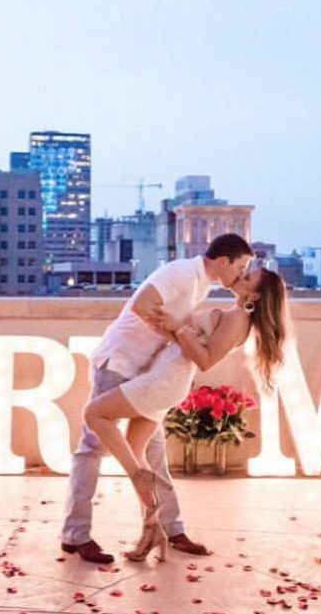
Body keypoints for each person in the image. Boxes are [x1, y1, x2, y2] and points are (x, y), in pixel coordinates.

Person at [60, 234, 254, 564]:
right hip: (120, 361)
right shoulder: (181, 272)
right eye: (241, 266)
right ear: (223, 261)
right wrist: (178, 335)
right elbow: (141, 306)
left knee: (154, 452)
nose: (241, 274)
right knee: (92, 448)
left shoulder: (201, 285)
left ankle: (170, 529)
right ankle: (76, 535)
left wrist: (179, 338)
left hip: (148, 372)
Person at [83, 266, 288, 560]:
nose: (240, 276)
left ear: (254, 296)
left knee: (95, 414)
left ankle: (137, 476)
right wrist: (173, 327)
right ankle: (153, 530)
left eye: (247, 278)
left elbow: (205, 360)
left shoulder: (238, 318)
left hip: (166, 378)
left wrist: (178, 328)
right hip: (165, 375)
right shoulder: (235, 315)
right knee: (137, 450)